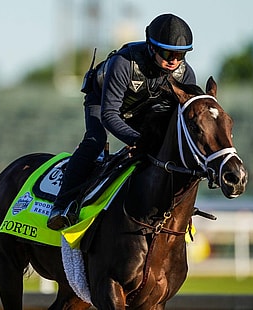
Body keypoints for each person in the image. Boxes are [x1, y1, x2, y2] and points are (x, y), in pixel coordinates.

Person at [47, 13, 197, 230]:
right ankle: (61, 207)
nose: (174, 60)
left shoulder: (185, 74)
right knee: (95, 141)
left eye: (180, 55)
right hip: (103, 101)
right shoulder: (124, 63)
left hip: (143, 108)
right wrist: (139, 140)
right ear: (151, 47)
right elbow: (110, 115)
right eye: (167, 53)